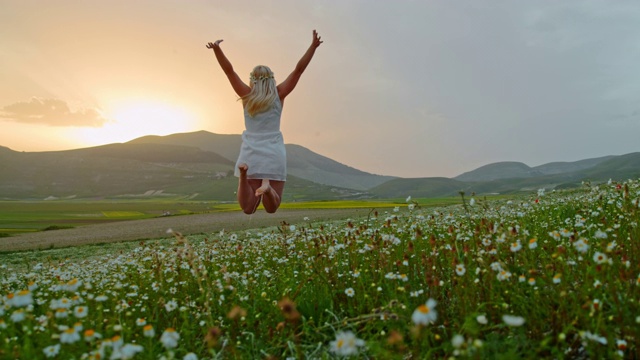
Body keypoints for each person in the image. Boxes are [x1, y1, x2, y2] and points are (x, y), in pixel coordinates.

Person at [207, 30, 322, 214]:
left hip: (250, 154)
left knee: (248, 208)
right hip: (273, 154)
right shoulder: (279, 94)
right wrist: (313, 47)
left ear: (252, 80)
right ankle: (267, 188)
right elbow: (298, 70)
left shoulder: (246, 96)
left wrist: (217, 50)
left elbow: (229, 72)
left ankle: (243, 175)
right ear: (271, 79)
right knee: (272, 208)